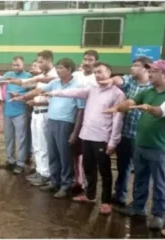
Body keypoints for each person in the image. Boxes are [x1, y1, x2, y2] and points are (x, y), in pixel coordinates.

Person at [45, 62, 125, 214]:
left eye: (100, 71)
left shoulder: (117, 94)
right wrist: (54, 93)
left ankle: (106, 202)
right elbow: (74, 92)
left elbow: (117, 121)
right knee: (88, 168)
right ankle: (90, 195)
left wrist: (113, 141)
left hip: (102, 138)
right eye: (95, 72)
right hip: (86, 135)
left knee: (105, 171)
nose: (97, 74)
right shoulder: (92, 90)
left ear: (110, 73)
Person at [103, 59, 165, 230]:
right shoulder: (148, 91)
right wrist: (120, 107)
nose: (150, 73)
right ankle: (138, 208)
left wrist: (147, 108)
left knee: (160, 183)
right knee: (140, 178)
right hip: (140, 143)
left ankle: (158, 214)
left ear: (163, 73)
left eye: (154, 71)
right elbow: (131, 102)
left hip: (160, 147)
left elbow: (159, 111)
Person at [12, 58, 84, 198]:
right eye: (57, 67)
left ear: (69, 69)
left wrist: (75, 132)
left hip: (66, 124)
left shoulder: (78, 86)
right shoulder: (55, 83)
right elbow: (39, 89)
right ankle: (54, 181)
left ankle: (65, 185)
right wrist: (23, 96)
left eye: (61, 68)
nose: (58, 70)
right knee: (53, 153)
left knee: (65, 156)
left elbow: (81, 110)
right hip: (51, 121)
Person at [98, 57, 153, 207]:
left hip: (140, 136)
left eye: (136, 66)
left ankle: (137, 201)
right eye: (132, 65)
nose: (132, 68)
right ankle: (120, 195)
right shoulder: (130, 81)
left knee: (141, 171)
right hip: (125, 133)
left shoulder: (151, 88)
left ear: (146, 69)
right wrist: (111, 80)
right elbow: (119, 79)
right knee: (123, 167)